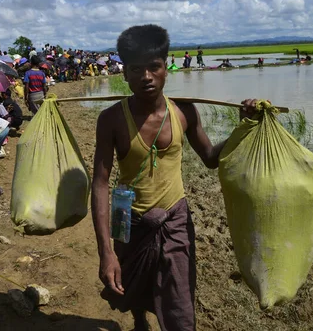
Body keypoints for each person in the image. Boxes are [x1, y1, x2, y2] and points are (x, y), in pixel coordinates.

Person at [91, 24, 256, 330]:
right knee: (132, 284)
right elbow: (100, 183)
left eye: (154, 67)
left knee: (180, 302)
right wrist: (105, 251)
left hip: (174, 219)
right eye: (136, 69)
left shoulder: (184, 113)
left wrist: (243, 128)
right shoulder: (111, 119)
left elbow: (209, 158)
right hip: (128, 219)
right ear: (124, 73)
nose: (146, 77)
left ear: (166, 68)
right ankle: (140, 320)